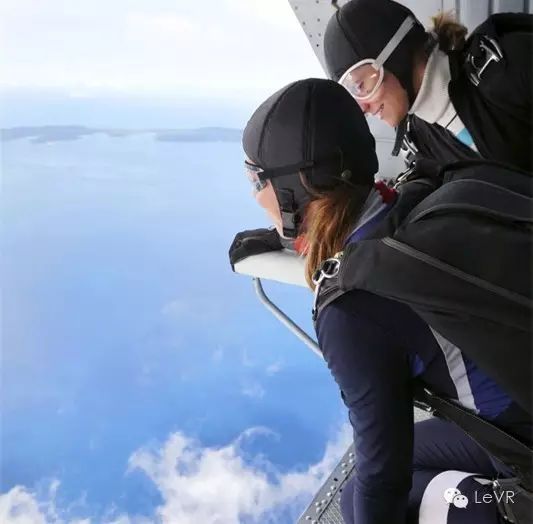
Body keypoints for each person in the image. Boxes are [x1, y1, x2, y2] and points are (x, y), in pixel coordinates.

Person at [233, 78, 533, 523]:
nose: (255, 195)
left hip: (523, 448)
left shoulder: (350, 310)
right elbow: (350, 235)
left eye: (256, 178)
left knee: (367, 500)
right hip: (521, 400)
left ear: (296, 187)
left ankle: (504, 509)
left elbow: (382, 474)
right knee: (356, 493)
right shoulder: (420, 193)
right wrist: (289, 241)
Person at [323, 0, 533, 172]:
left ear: (395, 56)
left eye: (360, 86)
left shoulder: (508, 64)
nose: (363, 108)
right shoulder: (421, 143)